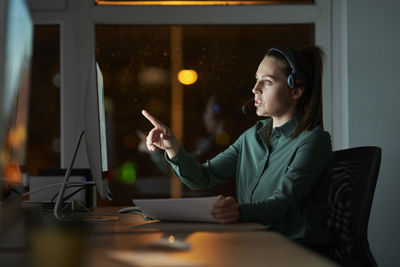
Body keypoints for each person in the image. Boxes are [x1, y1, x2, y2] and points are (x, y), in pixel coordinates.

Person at [141, 46, 332, 243]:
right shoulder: (252, 137)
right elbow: (203, 177)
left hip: (293, 252)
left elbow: (282, 203)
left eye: (267, 82)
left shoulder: (314, 141)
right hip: (252, 243)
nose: (255, 89)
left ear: (296, 90)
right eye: (256, 80)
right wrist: (172, 147)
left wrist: (236, 211)